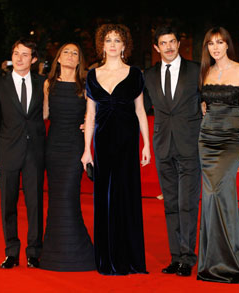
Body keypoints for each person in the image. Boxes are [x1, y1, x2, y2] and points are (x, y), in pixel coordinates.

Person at [81, 23, 150, 275]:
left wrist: (147, 145)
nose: (112, 44)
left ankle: (129, 258)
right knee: (104, 197)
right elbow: (90, 115)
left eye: (117, 40)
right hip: (102, 142)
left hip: (128, 142)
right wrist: (86, 150)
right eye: (108, 40)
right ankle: (106, 257)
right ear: (102, 45)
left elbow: (140, 111)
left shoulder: (135, 74)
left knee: (126, 196)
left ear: (124, 46)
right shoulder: (92, 75)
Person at [196, 26, 239, 283]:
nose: (215, 48)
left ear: (227, 45)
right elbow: (204, 105)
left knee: (220, 193)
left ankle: (230, 258)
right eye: (211, 43)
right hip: (207, 139)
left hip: (232, 139)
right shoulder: (206, 72)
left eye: (220, 42)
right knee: (212, 197)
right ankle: (224, 258)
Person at [143, 25, 202, 277]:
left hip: (190, 144)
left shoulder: (197, 70)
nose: (168, 47)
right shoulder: (148, 75)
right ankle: (175, 256)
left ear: (179, 44)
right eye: (163, 43)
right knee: (171, 203)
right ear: (157, 47)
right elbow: (138, 107)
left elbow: (209, 98)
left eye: (172, 42)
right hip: (163, 146)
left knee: (188, 203)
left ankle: (188, 257)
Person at [0, 39, 45, 269]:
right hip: (7, 152)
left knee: (35, 204)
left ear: (34, 59)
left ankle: (34, 253)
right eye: (16, 53)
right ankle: (11, 252)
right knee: (8, 205)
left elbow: (54, 112)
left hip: (35, 153)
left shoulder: (43, 83)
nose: (19, 58)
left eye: (25, 54)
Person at [39, 43, 95, 272]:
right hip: (53, 148)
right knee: (55, 198)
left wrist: (89, 127)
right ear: (58, 59)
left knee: (68, 197)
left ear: (79, 59)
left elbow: (93, 113)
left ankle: (78, 253)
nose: (70, 56)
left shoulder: (85, 85)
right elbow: (44, 114)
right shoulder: (48, 84)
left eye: (75, 53)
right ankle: (53, 254)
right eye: (66, 52)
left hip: (74, 147)